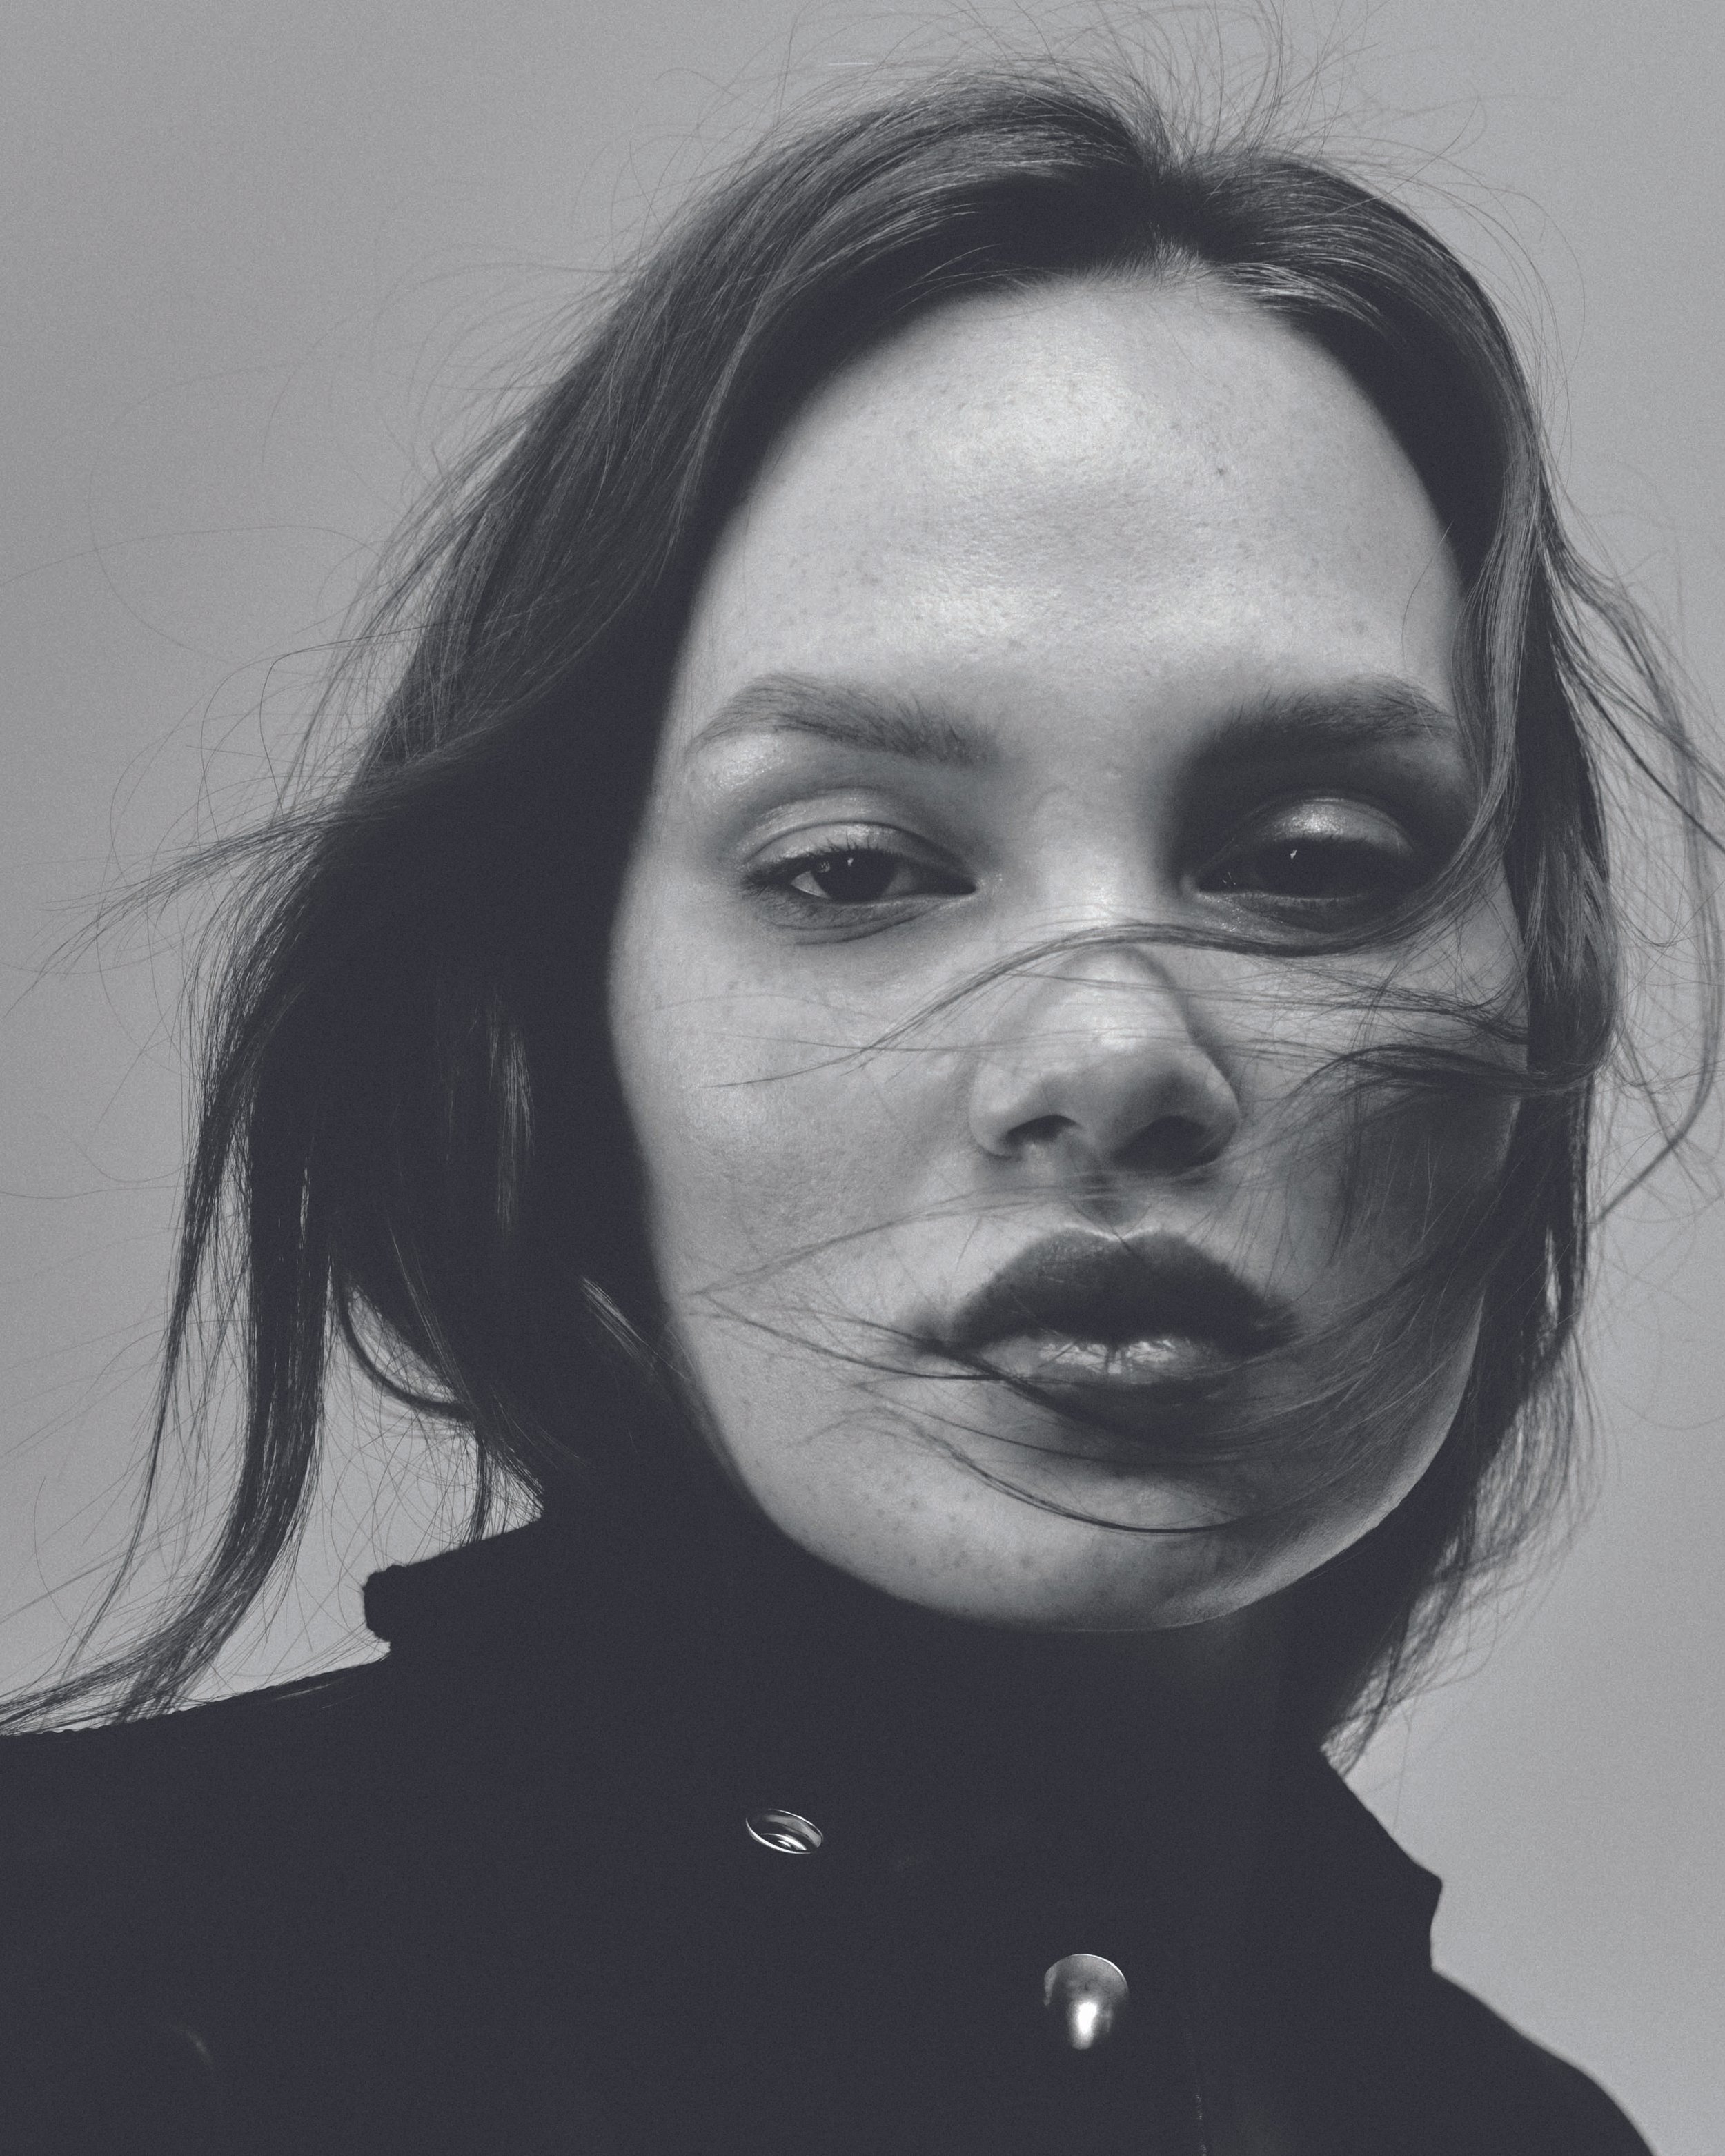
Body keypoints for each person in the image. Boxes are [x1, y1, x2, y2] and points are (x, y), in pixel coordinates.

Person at [1, 60, 1707, 2155]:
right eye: (853, 871)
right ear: (557, 1024)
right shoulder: (86, 1998)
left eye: (1312, 863)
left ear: (1529, 1012)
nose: (1106, 1054)